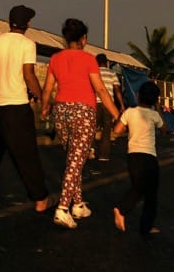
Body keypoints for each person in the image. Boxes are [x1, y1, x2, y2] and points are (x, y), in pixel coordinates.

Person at [0, 5, 55, 216]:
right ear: (28, 24)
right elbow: (29, 75)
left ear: (10, 22)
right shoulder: (28, 44)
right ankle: (40, 200)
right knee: (27, 156)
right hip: (16, 109)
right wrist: (43, 99)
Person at [41, 19, 120, 229]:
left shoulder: (55, 59)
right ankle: (63, 208)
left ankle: (78, 204)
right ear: (84, 39)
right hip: (83, 112)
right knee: (76, 161)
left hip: (61, 111)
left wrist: (44, 107)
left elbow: (48, 88)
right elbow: (100, 89)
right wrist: (116, 114)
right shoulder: (88, 59)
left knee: (73, 159)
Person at [112, 80, 167, 236]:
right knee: (150, 193)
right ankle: (124, 211)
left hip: (133, 156)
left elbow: (117, 130)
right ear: (155, 100)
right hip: (149, 157)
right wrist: (158, 108)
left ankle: (140, 223)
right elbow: (164, 129)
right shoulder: (154, 115)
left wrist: (126, 122)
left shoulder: (130, 112)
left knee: (139, 186)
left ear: (138, 96)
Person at [93, 53, 124, 161]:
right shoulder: (112, 73)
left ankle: (91, 149)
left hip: (95, 103)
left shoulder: (94, 73)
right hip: (109, 104)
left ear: (96, 62)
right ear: (106, 62)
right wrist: (121, 104)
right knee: (106, 130)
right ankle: (104, 155)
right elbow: (117, 91)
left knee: (92, 128)